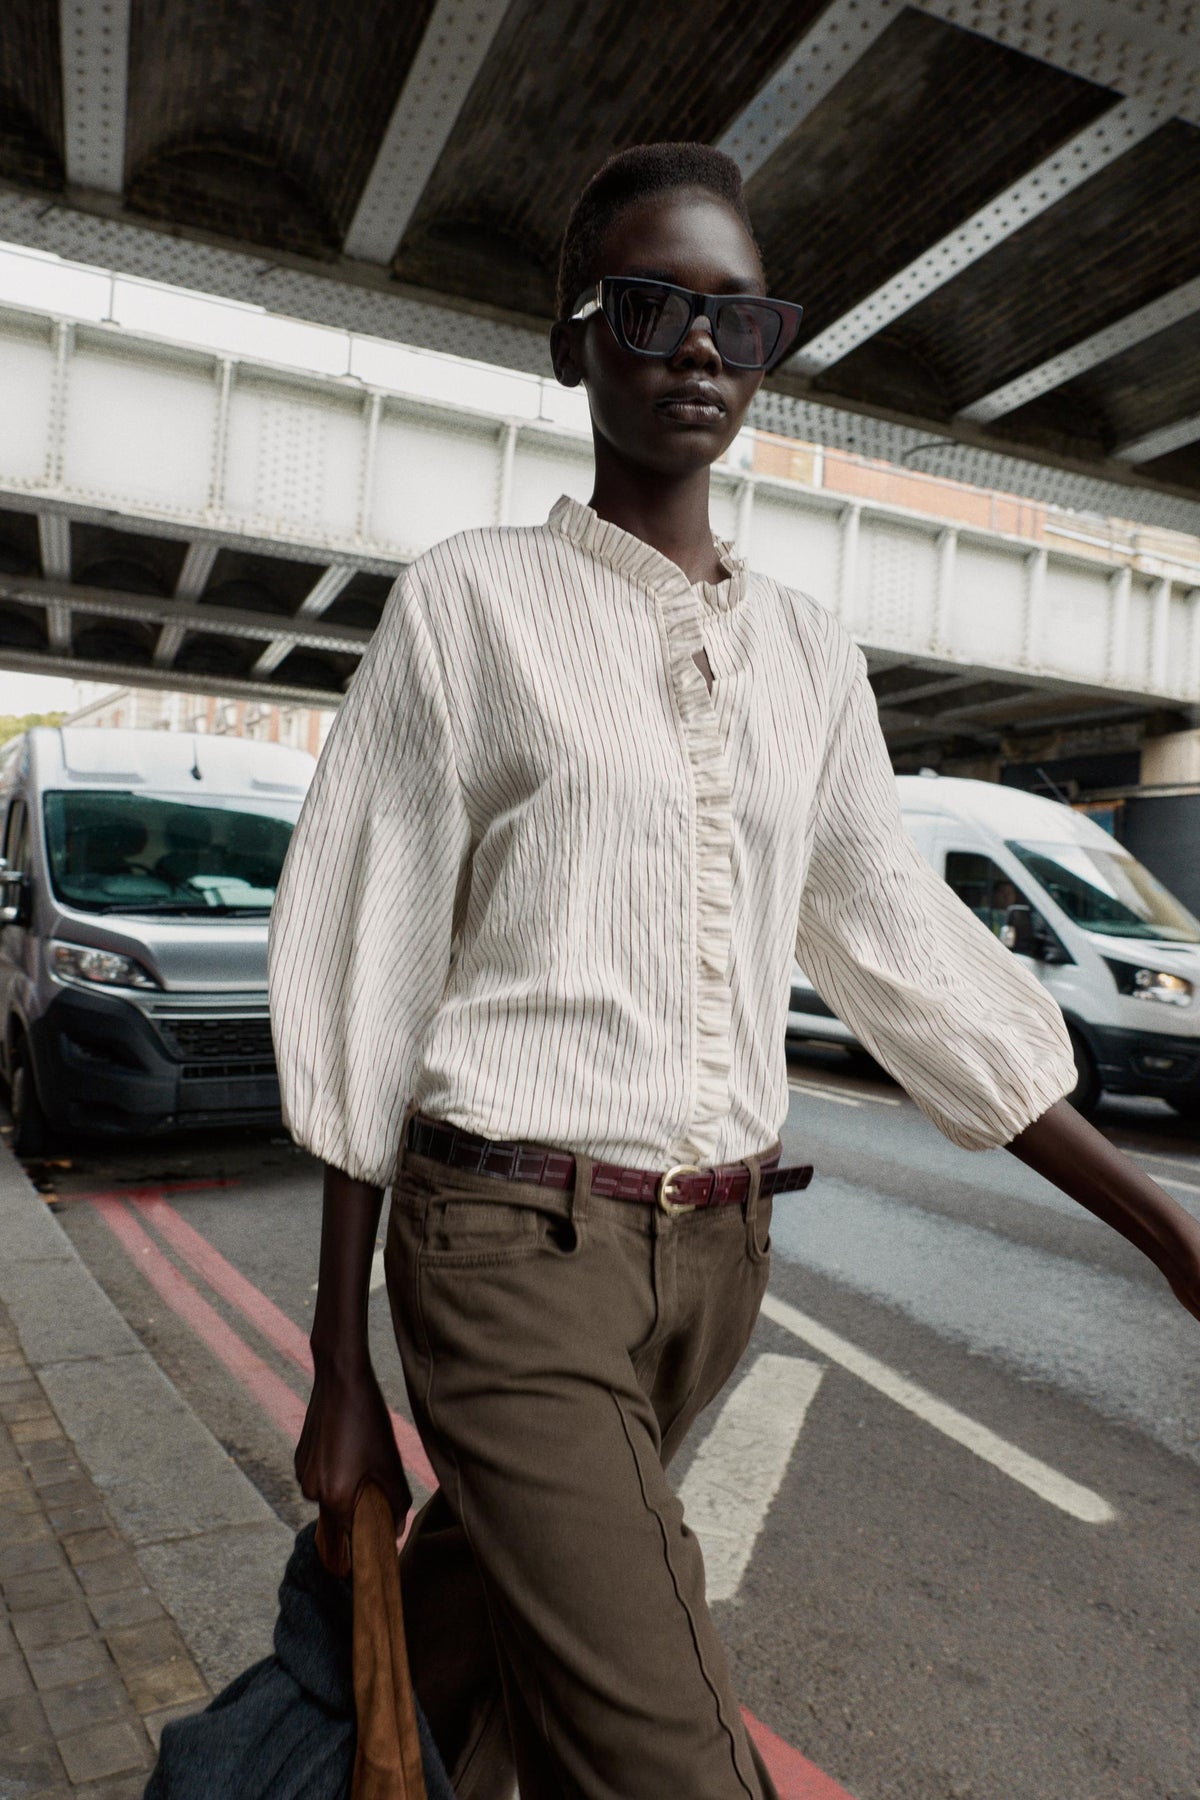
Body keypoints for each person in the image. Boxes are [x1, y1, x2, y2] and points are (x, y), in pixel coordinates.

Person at [268, 143, 1200, 1800]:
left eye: (740, 319)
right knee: (671, 1753)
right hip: (507, 1248)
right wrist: (341, 1365)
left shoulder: (812, 658)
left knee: (484, 1669)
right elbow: (370, 970)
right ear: (574, 342)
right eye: (652, 307)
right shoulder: (472, 606)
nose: (701, 347)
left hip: (717, 1264)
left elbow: (912, 961)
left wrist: (1165, 1230)